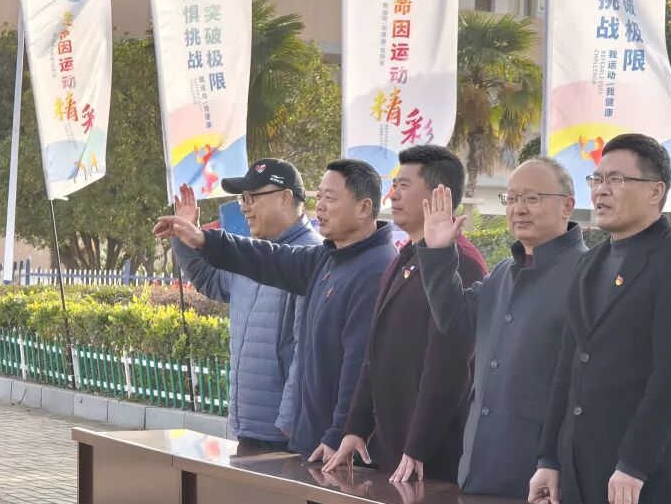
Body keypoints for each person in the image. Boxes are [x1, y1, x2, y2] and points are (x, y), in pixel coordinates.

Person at [153, 159, 395, 463]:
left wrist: (327, 431)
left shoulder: (373, 269)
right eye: (319, 196)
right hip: (300, 437)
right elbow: (266, 260)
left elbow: (358, 364)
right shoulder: (327, 258)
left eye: (330, 198)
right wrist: (199, 239)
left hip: (316, 445)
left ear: (364, 207)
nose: (320, 205)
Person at [529, 134, 671, 504]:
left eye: (616, 179)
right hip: (576, 474)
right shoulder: (589, 264)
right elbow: (567, 370)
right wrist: (549, 458)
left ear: (655, 192)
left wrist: (634, 463)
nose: (601, 190)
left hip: (639, 482)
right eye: (596, 179)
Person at [417, 157, 589, 499]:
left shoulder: (587, 275)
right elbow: (453, 319)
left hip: (541, 475)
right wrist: (438, 252)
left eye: (533, 198)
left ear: (567, 206)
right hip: (479, 465)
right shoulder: (503, 272)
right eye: (512, 198)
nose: (519, 208)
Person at [324, 146, 486, 483]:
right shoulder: (404, 258)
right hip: (395, 448)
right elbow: (375, 353)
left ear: (438, 195)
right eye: (394, 185)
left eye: (404, 186)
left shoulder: (461, 262)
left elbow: (448, 366)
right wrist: (356, 428)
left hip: (432, 458)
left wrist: (418, 446)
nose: (393, 195)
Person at [170, 159, 322, 451]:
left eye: (252, 197)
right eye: (243, 198)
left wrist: (290, 423)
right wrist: (185, 235)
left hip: (285, 437)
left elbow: (307, 351)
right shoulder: (248, 253)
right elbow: (210, 279)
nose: (244, 207)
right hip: (249, 428)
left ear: (285, 197)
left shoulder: (311, 257)